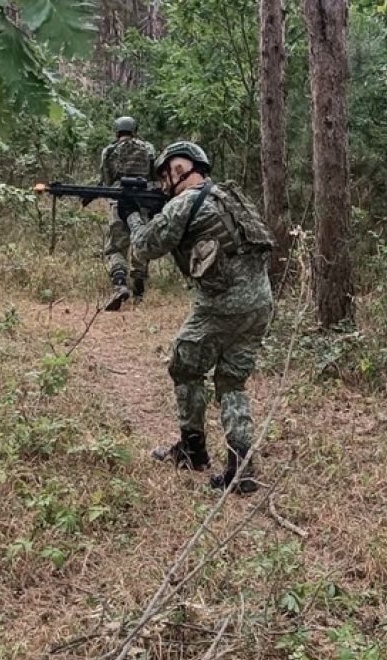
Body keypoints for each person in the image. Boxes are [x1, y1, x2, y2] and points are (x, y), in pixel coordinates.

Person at [123, 141, 275, 494]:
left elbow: (145, 245)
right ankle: (241, 468)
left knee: (184, 366)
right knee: (231, 382)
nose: (163, 182)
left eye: (167, 174)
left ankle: (192, 449)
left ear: (180, 170)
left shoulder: (184, 203)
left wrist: (132, 215)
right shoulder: (229, 195)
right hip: (260, 302)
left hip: (222, 304)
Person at [98, 116, 156, 311]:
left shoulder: (109, 150)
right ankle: (139, 281)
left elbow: (106, 179)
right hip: (142, 201)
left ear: (117, 131)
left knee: (116, 246)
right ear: (134, 129)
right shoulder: (148, 149)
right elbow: (154, 175)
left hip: (118, 199)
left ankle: (120, 282)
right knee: (140, 240)